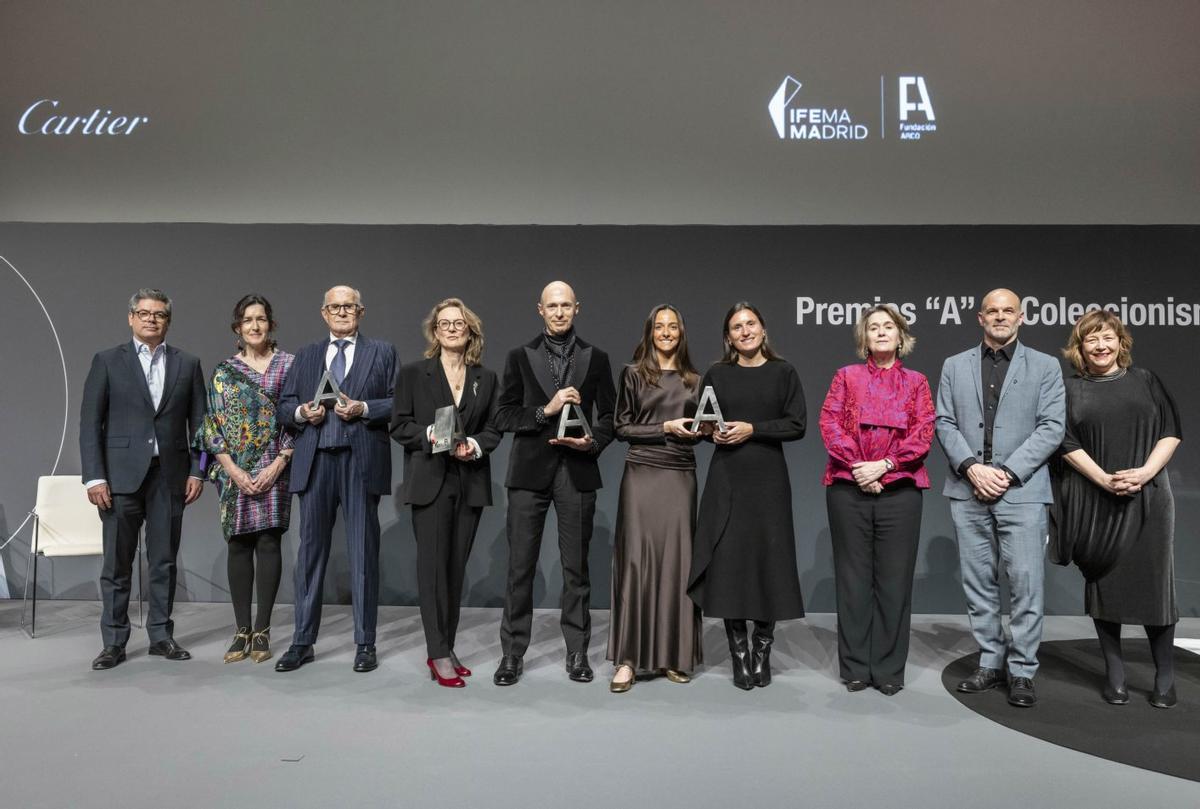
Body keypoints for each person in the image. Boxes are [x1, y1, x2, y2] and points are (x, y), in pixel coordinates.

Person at [935, 288, 1065, 707]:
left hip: (1022, 490)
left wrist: (1006, 473)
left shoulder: (1045, 366)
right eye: (992, 311)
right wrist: (972, 467)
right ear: (980, 317)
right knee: (978, 583)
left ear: (1021, 317)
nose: (1000, 316)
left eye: (1008, 311)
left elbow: (1051, 427)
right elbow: (944, 422)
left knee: (1026, 583)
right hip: (968, 487)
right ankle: (990, 662)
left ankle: (1022, 669)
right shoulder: (954, 365)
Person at [1051, 311, 1182, 707]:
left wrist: (1144, 473)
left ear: (1120, 342)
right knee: (1104, 584)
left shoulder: (1146, 380)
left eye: (1107, 337)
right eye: (1091, 339)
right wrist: (1104, 480)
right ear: (1080, 347)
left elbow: (1170, 431)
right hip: (1096, 499)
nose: (1100, 346)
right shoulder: (1069, 390)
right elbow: (1065, 442)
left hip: (1150, 497)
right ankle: (1116, 674)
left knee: (1156, 586)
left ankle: (1165, 677)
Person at [492, 281, 616, 686]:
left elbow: (610, 417)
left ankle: (577, 652)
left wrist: (591, 442)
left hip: (576, 471)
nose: (559, 312)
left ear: (576, 308)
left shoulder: (597, 358)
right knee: (519, 567)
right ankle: (512, 654)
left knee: (576, 569)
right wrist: (545, 410)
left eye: (565, 305)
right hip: (529, 473)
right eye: (552, 306)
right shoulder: (519, 356)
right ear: (540, 310)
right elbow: (504, 415)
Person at [80, 288, 207, 670]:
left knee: (164, 561)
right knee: (117, 565)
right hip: (119, 478)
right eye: (145, 313)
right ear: (131, 318)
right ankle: (113, 642)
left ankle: (161, 636)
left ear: (168, 321)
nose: (152, 319)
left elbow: (201, 425)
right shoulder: (107, 361)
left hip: (170, 476)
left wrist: (198, 470)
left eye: (159, 314)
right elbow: (90, 424)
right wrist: (94, 477)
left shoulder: (188, 363)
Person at [274, 285, 397, 673]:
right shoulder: (307, 355)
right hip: (315, 461)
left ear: (361, 312)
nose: (342, 312)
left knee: (363, 553)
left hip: (361, 462)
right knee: (310, 555)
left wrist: (365, 408)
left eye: (349, 307)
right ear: (324, 313)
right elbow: (284, 406)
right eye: (335, 307)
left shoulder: (382, 352)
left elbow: (400, 402)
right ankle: (302, 641)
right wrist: (301, 414)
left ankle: (365, 642)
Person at [688, 302, 806, 690]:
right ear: (728, 336)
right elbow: (705, 424)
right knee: (731, 565)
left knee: (768, 562)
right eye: (736, 327)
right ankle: (739, 653)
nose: (745, 331)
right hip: (727, 479)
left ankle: (762, 650)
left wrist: (752, 429)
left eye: (750, 323)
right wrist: (710, 432)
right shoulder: (717, 374)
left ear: (763, 329)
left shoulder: (784, 372)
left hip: (769, 482)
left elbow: (797, 424)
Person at [819, 305, 935, 696]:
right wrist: (860, 468)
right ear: (864, 338)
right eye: (873, 327)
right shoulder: (845, 376)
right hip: (848, 487)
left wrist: (884, 466)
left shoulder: (917, 382)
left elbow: (923, 433)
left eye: (888, 326)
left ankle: (887, 669)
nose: (881, 332)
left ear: (901, 336)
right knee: (852, 581)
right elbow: (829, 423)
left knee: (894, 582)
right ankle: (854, 667)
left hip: (900, 490)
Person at [390, 298, 501, 688]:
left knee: (455, 571)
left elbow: (494, 428)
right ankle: (437, 652)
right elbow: (399, 426)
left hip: (469, 481)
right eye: (444, 324)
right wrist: (430, 435)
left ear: (470, 331)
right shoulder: (413, 374)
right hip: (430, 481)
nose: (452, 329)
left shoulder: (485, 378)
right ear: (434, 331)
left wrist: (475, 445)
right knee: (433, 571)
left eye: (459, 324)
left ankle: (447, 646)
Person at [607, 304, 703, 693]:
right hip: (641, 474)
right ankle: (627, 660)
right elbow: (621, 427)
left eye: (672, 326)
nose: (666, 332)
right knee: (636, 561)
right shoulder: (633, 374)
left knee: (678, 563)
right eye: (659, 326)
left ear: (681, 332)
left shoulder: (696, 380)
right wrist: (665, 426)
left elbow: (702, 429)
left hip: (680, 475)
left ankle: (674, 656)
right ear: (650, 332)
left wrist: (703, 431)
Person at [198, 294, 295, 664]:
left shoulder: (290, 366)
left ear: (271, 323)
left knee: (269, 542)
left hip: (275, 466)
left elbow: (297, 420)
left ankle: (263, 630)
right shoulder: (224, 371)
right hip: (233, 471)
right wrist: (234, 471)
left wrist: (278, 464)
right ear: (237, 328)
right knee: (239, 544)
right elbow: (211, 425)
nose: (255, 326)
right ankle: (241, 630)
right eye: (248, 320)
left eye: (261, 319)